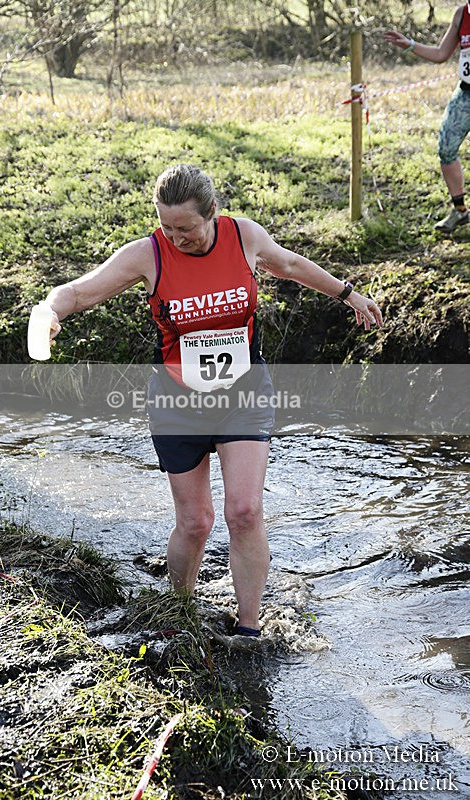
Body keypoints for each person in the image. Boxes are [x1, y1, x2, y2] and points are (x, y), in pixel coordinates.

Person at [42, 164, 383, 638]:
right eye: (166, 226)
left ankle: (248, 629)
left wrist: (348, 294)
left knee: (243, 511)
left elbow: (288, 264)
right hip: (177, 402)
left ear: (212, 215)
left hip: (243, 392)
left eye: (186, 227)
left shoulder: (244, 236)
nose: (176, 237)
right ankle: (179, 609)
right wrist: (49, 311)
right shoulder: (149, 255)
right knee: (196, 521)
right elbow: (79, 291)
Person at [384, 8, 470, 233]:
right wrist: (409, 45)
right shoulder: (462, 14)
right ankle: (460, 211)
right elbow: (441, 54)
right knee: (446, 149)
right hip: (465, 94)